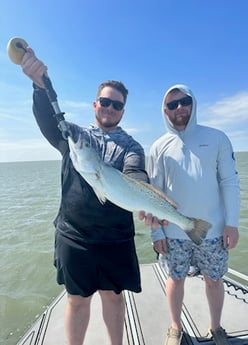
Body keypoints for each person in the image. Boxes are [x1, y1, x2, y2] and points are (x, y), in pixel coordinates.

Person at [20, 47, 158, 345]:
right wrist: (40, 83)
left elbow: (135, 175)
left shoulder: (132, 147)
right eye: (105, 102)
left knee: (113, 297)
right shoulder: (73, 136)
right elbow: (48, 117)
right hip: (74, 235)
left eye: (116, 105)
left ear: (123, 111)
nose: (109, 108)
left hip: (115, 237)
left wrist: (144, 200)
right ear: (95, 104)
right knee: (77, 300)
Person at [147, 84, 240, 345]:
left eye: (184, 101)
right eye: (171, 105)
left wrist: (231, 224)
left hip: (213, 230)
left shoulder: (218, 138)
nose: (179, 108)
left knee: (214, 280)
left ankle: (217, 327)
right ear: (164, 110)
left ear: (193, 103)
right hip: (173, 232)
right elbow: (153, 194)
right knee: (175, 280)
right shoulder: (158, 146)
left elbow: (230, 182)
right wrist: (157, 231)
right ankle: (175, 327)